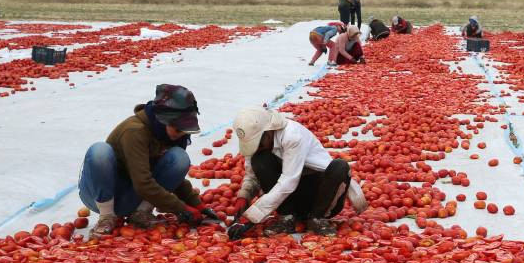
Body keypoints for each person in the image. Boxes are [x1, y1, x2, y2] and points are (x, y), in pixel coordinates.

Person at [79, 84, 221, 239]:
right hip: (102, 194)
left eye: (184, 131)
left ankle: (141, 213)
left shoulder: (168, 135)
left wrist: (197, 204)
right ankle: (106, 217)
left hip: (132, 196)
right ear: (163, 120)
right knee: (100, 151)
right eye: (178, 129)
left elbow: (173, 177)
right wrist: (181, 208)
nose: (181, 135)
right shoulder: (134, 131)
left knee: (179, 158)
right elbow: (143, 183)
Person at [226, 108, 369, 239]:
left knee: (340, 166)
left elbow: (288, 181)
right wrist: (243, 197)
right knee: (260, 159)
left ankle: (317, 219)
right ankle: (287, 217)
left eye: (259, 143)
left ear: (268, 132)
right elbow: (252, 174)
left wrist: (251, 217)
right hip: (292, 199)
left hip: (320, 195)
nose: (257, 147)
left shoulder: (292, 135)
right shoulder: (256, 144)